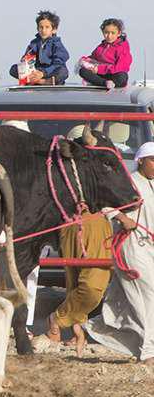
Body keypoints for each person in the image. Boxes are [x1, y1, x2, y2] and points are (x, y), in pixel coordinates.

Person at [84, 142, 154, 365]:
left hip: (150, 246)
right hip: (130, 245)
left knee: (127, 299)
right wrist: (122, 218)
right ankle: (149, 351)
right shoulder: (128, 181)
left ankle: (95, 327)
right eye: (152, 159)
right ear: (141, 160)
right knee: (149, 294)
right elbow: (103, 202)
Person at [34, 209, 114, 358]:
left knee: (92, 286)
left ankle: (57, 320)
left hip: (96, 217)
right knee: (76, 282)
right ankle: (75, 328)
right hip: (69, 219)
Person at [9, 10, 70, 85]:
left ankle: (45, 81)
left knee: (63, 71)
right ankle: (34, 80)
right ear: (38, 29)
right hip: (36, 71)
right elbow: (26, 57)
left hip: (49, 71)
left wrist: (43, 73)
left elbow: (59, 61)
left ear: (54, 30)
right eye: (41, 27)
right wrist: (25, 64)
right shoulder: (34, 43)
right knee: (13, 69)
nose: (43, 30)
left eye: (47, 27)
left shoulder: (56, 44)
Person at [78, 18, 132, 89]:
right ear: (103, 32)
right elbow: (93, 57)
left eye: (113, 33)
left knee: (122, 76)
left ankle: (109, 83)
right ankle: (105, 83)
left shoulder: (123, 47)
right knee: (82, 71)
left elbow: (121, 67)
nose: (109, 36)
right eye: (106, 32)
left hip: (114, 74)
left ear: (119, 33)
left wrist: (99, 69)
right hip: (101, 76)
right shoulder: (102, 46)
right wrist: (85, 60)